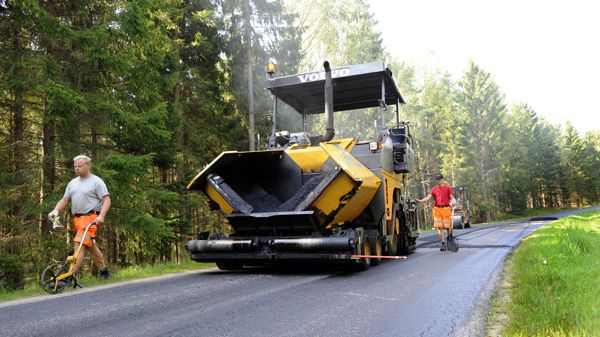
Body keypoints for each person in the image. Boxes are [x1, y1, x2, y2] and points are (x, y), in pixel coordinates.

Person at [48, 155, 111, 278]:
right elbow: (65, 200)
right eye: (75, 166)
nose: (76, 169)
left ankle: (69, 276)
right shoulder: (72, 183)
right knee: (90, 246)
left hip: (90, 218)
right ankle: (104, 272)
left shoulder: (96, 182)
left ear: (88, 166)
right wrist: (55, 211)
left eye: (79, 166)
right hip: (77, 219)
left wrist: (101, 216)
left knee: (79, 245)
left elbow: (107, 200)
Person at [416, 173, 456, 251]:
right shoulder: (434, 189)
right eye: (437, 179)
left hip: (446, 209)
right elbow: (428, 198)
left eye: (440, 179)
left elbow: (452, 198)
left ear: (442, 179)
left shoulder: (448, 188)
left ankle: (450, 240)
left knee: (448, 227)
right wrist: (420, 201)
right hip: (437, 209)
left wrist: (454, 202)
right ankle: (443, 244)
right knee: (439, 227)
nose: (438, 181)